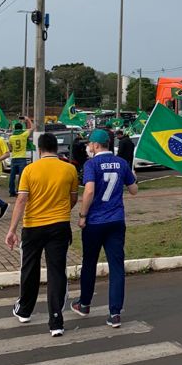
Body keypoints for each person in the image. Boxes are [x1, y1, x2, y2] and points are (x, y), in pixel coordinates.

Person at [6, 132, 78, 337]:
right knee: (56, 272)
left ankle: (24, 310)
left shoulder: (30, 170)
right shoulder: (69, 169)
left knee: (29, 268)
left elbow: (21, 201)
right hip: (60, 226)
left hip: (33, 226)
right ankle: (56, 320)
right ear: (56, 148)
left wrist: (11, 230)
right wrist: (62, 211)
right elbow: (73, 198)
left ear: (39, 149)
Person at [71, 129, 138, 327]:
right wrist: (132, 176)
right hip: (116, 220)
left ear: (96, 145)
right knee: (116, 266)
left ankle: (84, 303)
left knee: (89, 262)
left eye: (89, 144)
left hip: (95, 221)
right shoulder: (122, 163)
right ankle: (115, 313)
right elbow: (134, 190)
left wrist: (82, 215)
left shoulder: (91, 164)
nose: (88, 147)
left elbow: (89, 190)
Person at [7, 119, 33, 197]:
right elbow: (32, 128)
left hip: (14, 158)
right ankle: (19, 191)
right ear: (22, 128)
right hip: (22, 158)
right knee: (21, 176)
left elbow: (10, 148)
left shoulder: (11, 137)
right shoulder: (23, 135)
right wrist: (28, 120)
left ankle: (11, 191)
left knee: (12, 176)